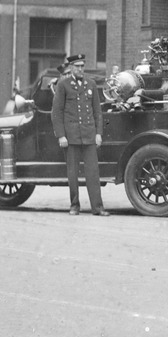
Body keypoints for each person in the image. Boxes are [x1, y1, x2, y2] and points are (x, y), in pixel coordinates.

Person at [51, 53, 109, 216]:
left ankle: (97, 207)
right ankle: (74, 205)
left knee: (93, 172)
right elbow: (57, 112)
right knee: (73, 172)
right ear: (70, 68)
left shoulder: (91, 84)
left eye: (82, 66)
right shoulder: (63, 85)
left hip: (89, 135)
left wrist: (98, 133)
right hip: (71, 137)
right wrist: (61, 136)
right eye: (77, 66)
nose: (80, 69)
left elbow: (97, 112)